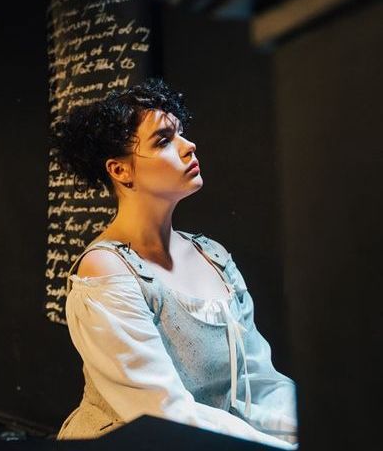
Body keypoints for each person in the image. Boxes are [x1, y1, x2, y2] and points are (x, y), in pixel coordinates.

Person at [52, 79, 297, 448]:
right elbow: (164, 413)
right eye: (164, 140)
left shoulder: (212, 256)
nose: (188, 146)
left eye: (181, 133)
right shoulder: (105, 270)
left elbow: (258, 384)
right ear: (120, 170)